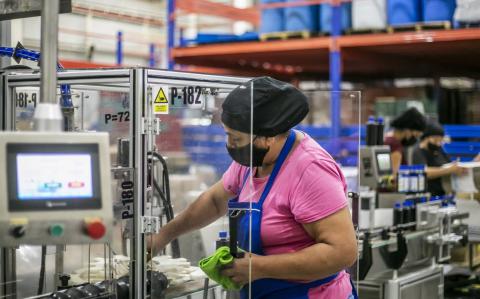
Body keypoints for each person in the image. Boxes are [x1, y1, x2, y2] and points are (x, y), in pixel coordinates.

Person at [152, 77, 358, 298]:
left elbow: (342, 252)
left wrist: (257, 267)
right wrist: (162, 236)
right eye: (227, 135)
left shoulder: (310, 169)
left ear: (267, 137)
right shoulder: (252, 162)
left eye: (236, 138)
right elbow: (214, 201)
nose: (230, 144)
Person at [412, 120, 467, 196]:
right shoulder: (418, 151)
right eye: (435, 140)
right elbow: (424, 172)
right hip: (428, 195)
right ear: (426, 137)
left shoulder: (439, 149)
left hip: (443, 193)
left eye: (440, 140)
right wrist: (449, 170)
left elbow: (448, 164)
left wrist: (457, 168)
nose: (438, 143)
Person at [384, 107, 426, 174]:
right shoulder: (395, 145)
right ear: (408, 129)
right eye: (415, 135)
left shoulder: (387, 138)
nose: (414, 138)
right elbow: (394, 177)